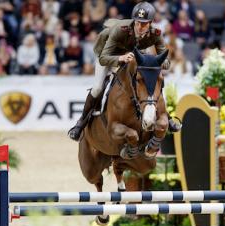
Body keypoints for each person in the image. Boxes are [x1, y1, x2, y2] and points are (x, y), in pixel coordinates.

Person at [68, 1, 181, 142]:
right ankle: (80, 123)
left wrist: (156, 63)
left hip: (132, 54)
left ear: (151, 22)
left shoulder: (156, 33)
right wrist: (121, 58)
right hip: (107, 54)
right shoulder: (120, 30)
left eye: (144, 23)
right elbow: (104, 58)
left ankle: (167, 119)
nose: (140, 27)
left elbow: (166, 62)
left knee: (150, 79)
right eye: (138, 22)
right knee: (97, 88)